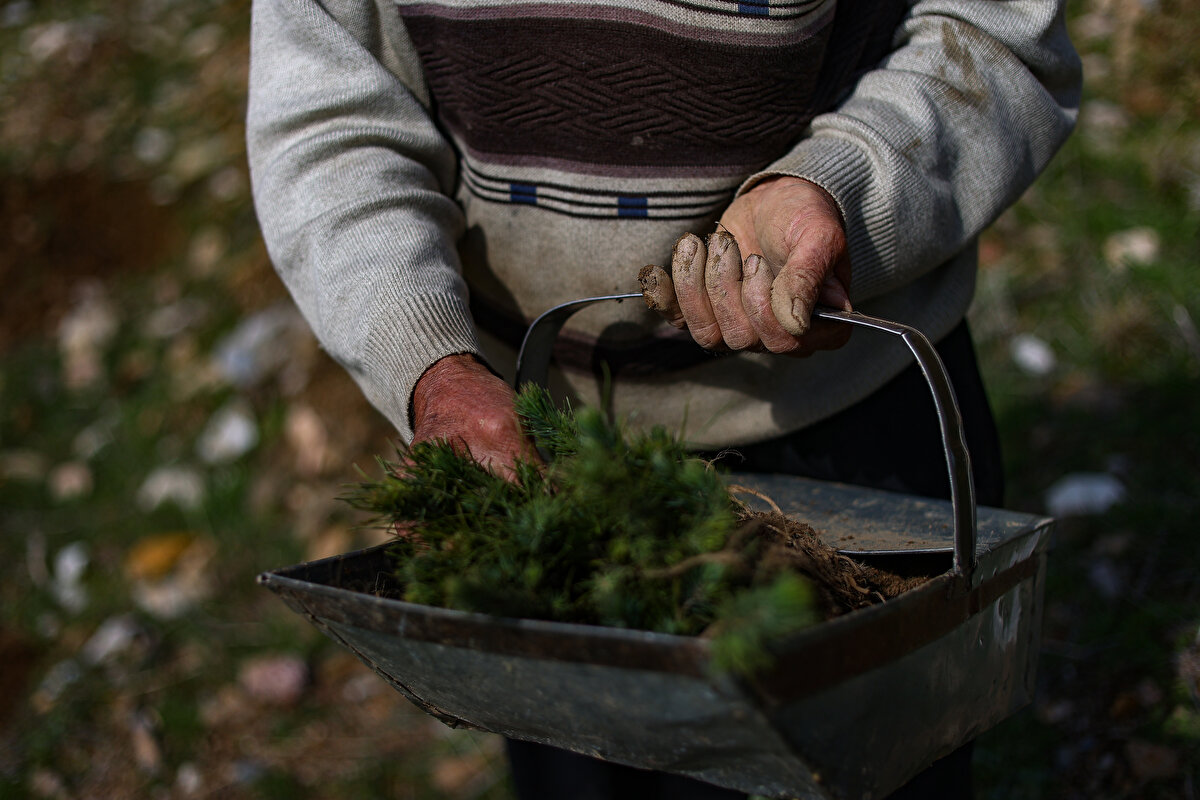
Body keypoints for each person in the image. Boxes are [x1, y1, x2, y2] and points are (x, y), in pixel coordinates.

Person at [246, 0, 1080, 796]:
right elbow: (332, 122)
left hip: (847, 424)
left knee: (867, 756)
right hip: (546, 466)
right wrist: (429, 361)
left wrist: (838, 184)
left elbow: (996, 29)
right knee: (588, 771)